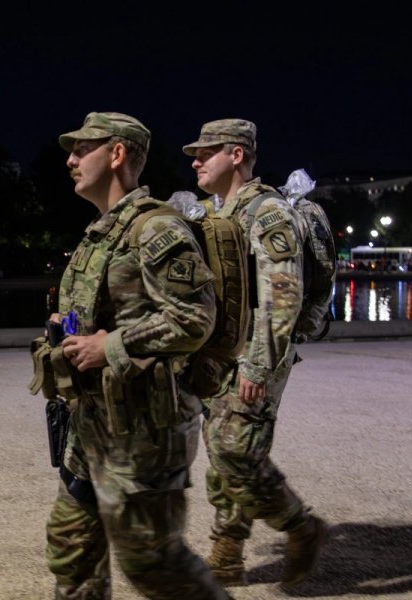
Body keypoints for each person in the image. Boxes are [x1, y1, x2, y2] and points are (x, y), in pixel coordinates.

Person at [40, 112, 229, 600]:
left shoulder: (156, 229)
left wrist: (112, 346)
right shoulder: (101, 232)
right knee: (70, 545)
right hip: (92, 422)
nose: (71, 159)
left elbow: (195, 317)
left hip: (146, 429)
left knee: (153, 565)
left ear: (118, 154)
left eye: (83, 149)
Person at [182, 119, 328, 589]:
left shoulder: (267, 213)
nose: (197, 161)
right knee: (222, 450)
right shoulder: (216, 212)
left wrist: (260, 363)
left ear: (238, 155)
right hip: (220, 351)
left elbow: (283, 293)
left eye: (208, 152)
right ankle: (227, 552)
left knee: (235, 448)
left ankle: (301, 527)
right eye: (195, 154)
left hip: (259, 350)